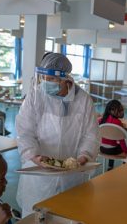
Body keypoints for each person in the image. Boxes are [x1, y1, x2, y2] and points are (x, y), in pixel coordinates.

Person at [16, 52, 99, 217]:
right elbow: (25, 131)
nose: (46, 83)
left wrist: (84, 156)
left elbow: (91, 135)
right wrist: (34, 155)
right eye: (44, 78)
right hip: (39, 175)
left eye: (51, 79)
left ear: (65, 78)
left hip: (71, 174)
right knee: (36, 216)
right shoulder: (35, 95)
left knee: (67, 214)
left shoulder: (83, 100)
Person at [98, 99, 127, 171]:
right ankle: (125, 169)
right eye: (120, 110)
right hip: (112, 150)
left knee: (113, 144)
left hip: (101, 148)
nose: (122, 112)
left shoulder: (101, 120)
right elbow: (121, 141)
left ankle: (110, 167)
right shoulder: (118, 122)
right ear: (111, 110)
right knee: (124, 149)